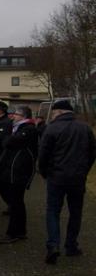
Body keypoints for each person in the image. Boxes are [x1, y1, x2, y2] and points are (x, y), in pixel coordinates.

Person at [39, 99, 96, 264]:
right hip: (77, 178)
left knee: (53, 211)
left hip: (56, 177)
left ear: (59, 112)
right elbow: (92, 152)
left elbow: (43, 155)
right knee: (75, 212)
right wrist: (84, 171)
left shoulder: (51, 128)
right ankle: (71, 246)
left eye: (54, 112)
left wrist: (45, 173)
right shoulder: (85, 128)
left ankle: (53, 245)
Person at [0, 106, 38, 244]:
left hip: (19, 171)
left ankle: (14, 233)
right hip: (15, 170)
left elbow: (9, 142)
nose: (13, 116)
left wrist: (8, 138)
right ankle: (19, 231)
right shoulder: (20, 128)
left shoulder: (28, 129)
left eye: (16, 114)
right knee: (16, 202)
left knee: (16, 202)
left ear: (24, 116)